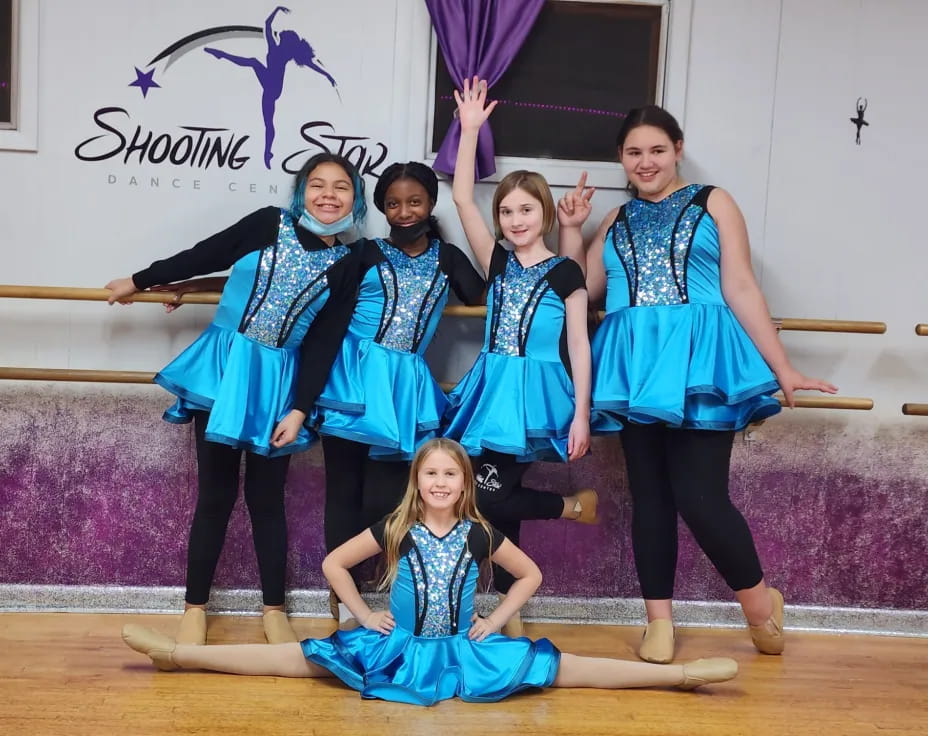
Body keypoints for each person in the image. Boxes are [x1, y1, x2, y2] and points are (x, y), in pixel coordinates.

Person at [122, 438, 739, 706]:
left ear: (465, 484)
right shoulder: (396, 527)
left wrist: (493, 619)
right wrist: (364, 614)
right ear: (417, 481)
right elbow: (334, 563)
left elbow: (530, 575)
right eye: (431, 474)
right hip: (397, 643)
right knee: (295, 661)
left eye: (451, 475)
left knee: (564, 671)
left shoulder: (478, 530)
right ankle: (178, 656)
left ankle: (682, 676)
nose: (440, 483)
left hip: (460, 647)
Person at [557, 105, 837, 662]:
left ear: (678, 149)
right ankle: (657, 621)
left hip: (699, 363)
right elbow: (576, 292)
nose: (646, 161)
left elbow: (740, 286)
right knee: (651, 499)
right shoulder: (612, 221)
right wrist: (569, 229)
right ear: (621, 158)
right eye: (633, 152)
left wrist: (783, 368)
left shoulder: (714, 201)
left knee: (701, 497)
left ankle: (759, 603)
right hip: (634, 367)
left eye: (656, 150)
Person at [105, 152, 367, 646]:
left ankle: (274, 610)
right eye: (317, 184)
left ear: (356, 198)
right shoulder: (269, 223)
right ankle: (195, 608)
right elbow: (208, 253)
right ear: (301, 191)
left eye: (341, 187)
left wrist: (300, 408)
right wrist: (143, 280)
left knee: (267, 499)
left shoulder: (349, 261)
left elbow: (326, 341)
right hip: (225, 373)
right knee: (215, 496)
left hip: (277, 386)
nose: (328, 195)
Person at [444, 78, 620, 636]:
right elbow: (460, 196)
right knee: (491, 492)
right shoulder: (496, 260)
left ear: (543, 213)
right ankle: (507, 611)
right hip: (492, 388)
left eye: (526, 210)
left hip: (537, 392)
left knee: (491, 493)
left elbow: (578, 346)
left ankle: (503, 602)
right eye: (508, 212)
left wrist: (582, 412)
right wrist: (470, 131)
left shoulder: (567, 273)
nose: (516, 220)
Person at [312, 162, 486, 622]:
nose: (404, 211)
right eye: (393, 203)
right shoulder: (365, 252)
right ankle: (344, 602)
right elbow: (306, 293)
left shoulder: (448, 259)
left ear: (431, 204)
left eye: (414, 202)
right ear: (381, 208)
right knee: (343, 492)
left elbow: (485, 294)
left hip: (406, 388)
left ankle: (394, 597)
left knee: (389, 499)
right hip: (352, 380)